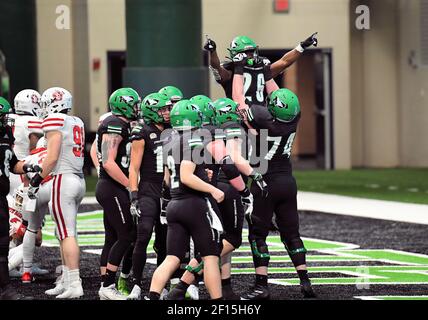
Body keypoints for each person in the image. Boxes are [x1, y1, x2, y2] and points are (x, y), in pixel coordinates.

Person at [235, 83, 316, 299]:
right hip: (288, 182)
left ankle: (261, 285)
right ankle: (305, 280)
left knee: (257, 234)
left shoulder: (262, 119)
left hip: (265, 183)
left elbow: (244, 107)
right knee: (292, 234)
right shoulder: (293, 120)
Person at [148, 100, 224, 300]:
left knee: (171, 258)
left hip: (174, 204)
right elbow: (186, 176)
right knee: (210, 257)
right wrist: (212, 189)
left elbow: (167, 179)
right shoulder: (194, 139)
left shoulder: (168, 141)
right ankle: (219, 302)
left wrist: (200, 175)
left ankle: (153, 296)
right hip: (193, 204)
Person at [28, 87, 86, 299]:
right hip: (78, 179)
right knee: (65, 233)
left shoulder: (53, 121)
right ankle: (66, 280)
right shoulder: (76, 121)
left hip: (63, 178)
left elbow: (51, 157)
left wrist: (37, 178)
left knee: (67, 234)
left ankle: (74, 283)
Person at [127, 92, 172, 300]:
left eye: (167, 108)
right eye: (163, 109)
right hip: (147, 188)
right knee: (143, 235)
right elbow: (134, 168)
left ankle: (162, 286)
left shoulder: (172, 130)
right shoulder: (142, 131)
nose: (167, 112)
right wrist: (134, 195)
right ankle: (136, 283)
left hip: (166, 191)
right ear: (152, 112)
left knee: (164, 240)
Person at [95, 88, 140, 300]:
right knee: (127, 234)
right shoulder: (114, 124)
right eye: (134, 104)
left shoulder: (121, 123)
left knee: (112, 237)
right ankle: (107, 285)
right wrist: (131, 185)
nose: (137, 108)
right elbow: (109, 163)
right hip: (112, 186)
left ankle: (105, 284)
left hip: (112, 187)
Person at [0, 96, 41, 300]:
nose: (7, 120)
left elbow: (13, 161)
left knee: (3, 240)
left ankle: (5, 288)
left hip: (3, 191)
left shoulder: (6, 133)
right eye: (3, 116)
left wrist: (26, 167)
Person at [204, 33, 318, 101]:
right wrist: (212, 51)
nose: (250, 55)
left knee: (263, 141)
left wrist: (302, 46)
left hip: (260, 119)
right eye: (246, 52)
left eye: (252, 52)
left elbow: (284, 62)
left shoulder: (262, 68)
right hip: (238, 119)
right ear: (235, 54)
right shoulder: (230, 72)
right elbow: (216, 68)